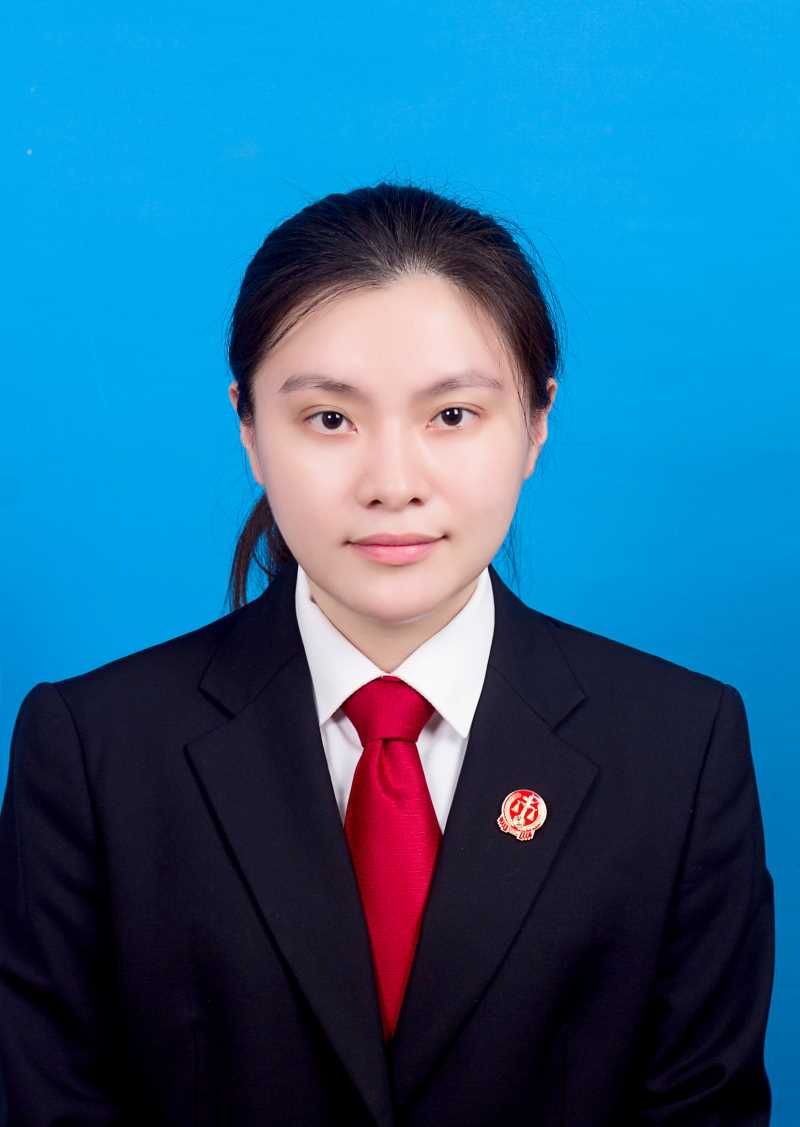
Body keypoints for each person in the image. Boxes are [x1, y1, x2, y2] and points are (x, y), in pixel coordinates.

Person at [0, 182, 774, 1126]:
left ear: (537, 423)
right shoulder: (92, 751)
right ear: (249, 428)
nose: (393, 483)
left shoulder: (681, 750)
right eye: (330, 419)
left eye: (453, 415)